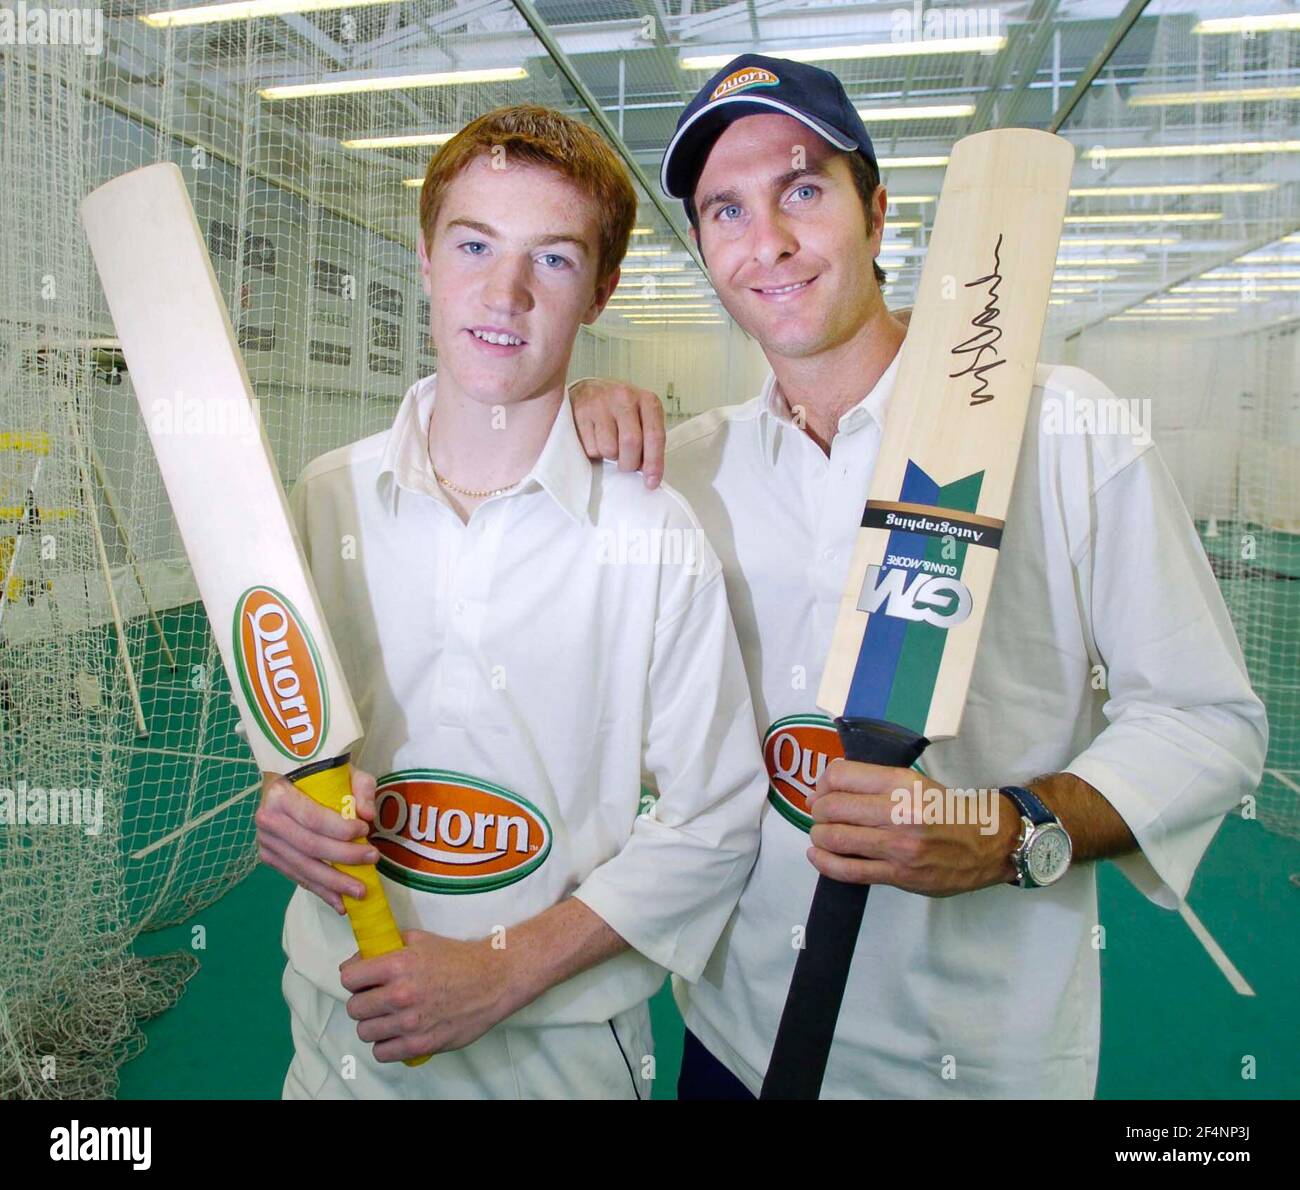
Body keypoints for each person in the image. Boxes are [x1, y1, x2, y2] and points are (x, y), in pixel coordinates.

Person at [571, 54, 1268, 1098]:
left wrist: (1008, 830)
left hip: (979, 1067)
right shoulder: (688, 467)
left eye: (802, 189)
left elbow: (1209, 720)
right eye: (725, 210)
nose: (767, 241)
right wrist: (556, 419)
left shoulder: (1064, 427)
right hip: (732, 1035)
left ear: (877, 211)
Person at [255, 104, 768, 1100]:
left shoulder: (656, 536)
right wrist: (280, 805)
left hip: (559, 1058)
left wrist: (502, 967)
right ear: (425, 256)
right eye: (475, 243)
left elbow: (714, 819)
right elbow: (289, 743)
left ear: (600, 290)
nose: (505, 292)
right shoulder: (325, 497)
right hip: (338, 1043)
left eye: (555, 260)